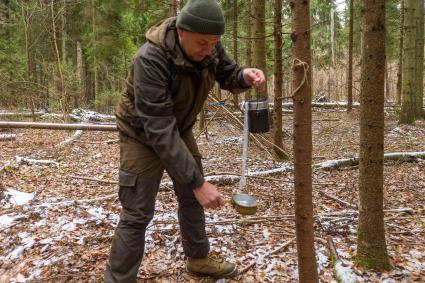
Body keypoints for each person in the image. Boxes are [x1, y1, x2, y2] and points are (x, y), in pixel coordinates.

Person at [104, 0, 265, 282]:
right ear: (181, 32)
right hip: (141, 133)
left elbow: (227, 73)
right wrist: (198, 183)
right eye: (202, 43)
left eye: (214, 43)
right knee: (138, 211)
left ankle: (199, 260)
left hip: (177, 128)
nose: (209, 49)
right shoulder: (150, 59)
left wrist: (244, 76)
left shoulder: (209, 47)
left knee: (193, 198)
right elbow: (158, 129)